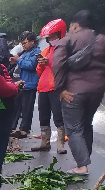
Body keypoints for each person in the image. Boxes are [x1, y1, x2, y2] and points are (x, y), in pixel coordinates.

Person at [52, 10, 105, 174]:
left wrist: (60, 89)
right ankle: (82, 159)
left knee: (74, 128)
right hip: (97, 91)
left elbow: (58, 64)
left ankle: (82, 166)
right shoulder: (102, 40)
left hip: (73, 91)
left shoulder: (68, 40)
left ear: (75, 25)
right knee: (86, 125)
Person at [33, 19, 68, 153]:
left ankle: (60, 145)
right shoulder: (45, 50)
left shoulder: (63, 50)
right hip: (43, 88)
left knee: (58, 116)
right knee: (43, 116)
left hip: (56, 87)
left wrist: (50, 62)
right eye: (47, 37)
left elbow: (64, 68)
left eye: (51, 36)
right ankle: (45, 142)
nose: (48, 39)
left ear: (59, 34)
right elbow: (38, 71)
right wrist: (42, 63)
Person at [10, 33, 40, 138]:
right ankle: (13, 127)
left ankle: (24, 129)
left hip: (29, 83)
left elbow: (31, 65)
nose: (23, 45)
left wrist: (18, 59)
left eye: (25, 43)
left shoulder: (36, 52)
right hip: (20, 83)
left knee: (27, 108)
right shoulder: (23, 52)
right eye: (22, 43)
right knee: (16, 106)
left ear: (32, 41)